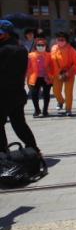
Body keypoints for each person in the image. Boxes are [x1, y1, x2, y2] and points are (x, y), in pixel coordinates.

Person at [0, 20, 39, 153]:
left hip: (3, 94)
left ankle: (3, 154)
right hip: (17, 93)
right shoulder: (21, 48)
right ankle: (33, 149)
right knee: (19, 123)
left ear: (6, 34)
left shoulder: (4, 50)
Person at [50, 32, 76, 117]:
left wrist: (68, 73)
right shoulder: (53, 48)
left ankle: (68, 109)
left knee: (68, 92)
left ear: (66, 40)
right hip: (57, 74)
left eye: (62, 39)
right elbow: (51, 61)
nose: (60, 41)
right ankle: (61, 101)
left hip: (68, 73)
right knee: (55, 91)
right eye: (58, 39)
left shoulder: (71, 50)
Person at [26, 37, 53, 118]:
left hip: (46, 77)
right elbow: (27, 67)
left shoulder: (49, 55)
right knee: (34, 94)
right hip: (35, 78)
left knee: (46, 94)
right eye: (39, 45)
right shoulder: (30, 55)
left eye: (42, 45)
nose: (40, 46)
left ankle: (45, 110)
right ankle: (37, 110)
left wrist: (51, 76)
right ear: (35, 46)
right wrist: (26, 76)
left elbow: (52, 66)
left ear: (45, 46)